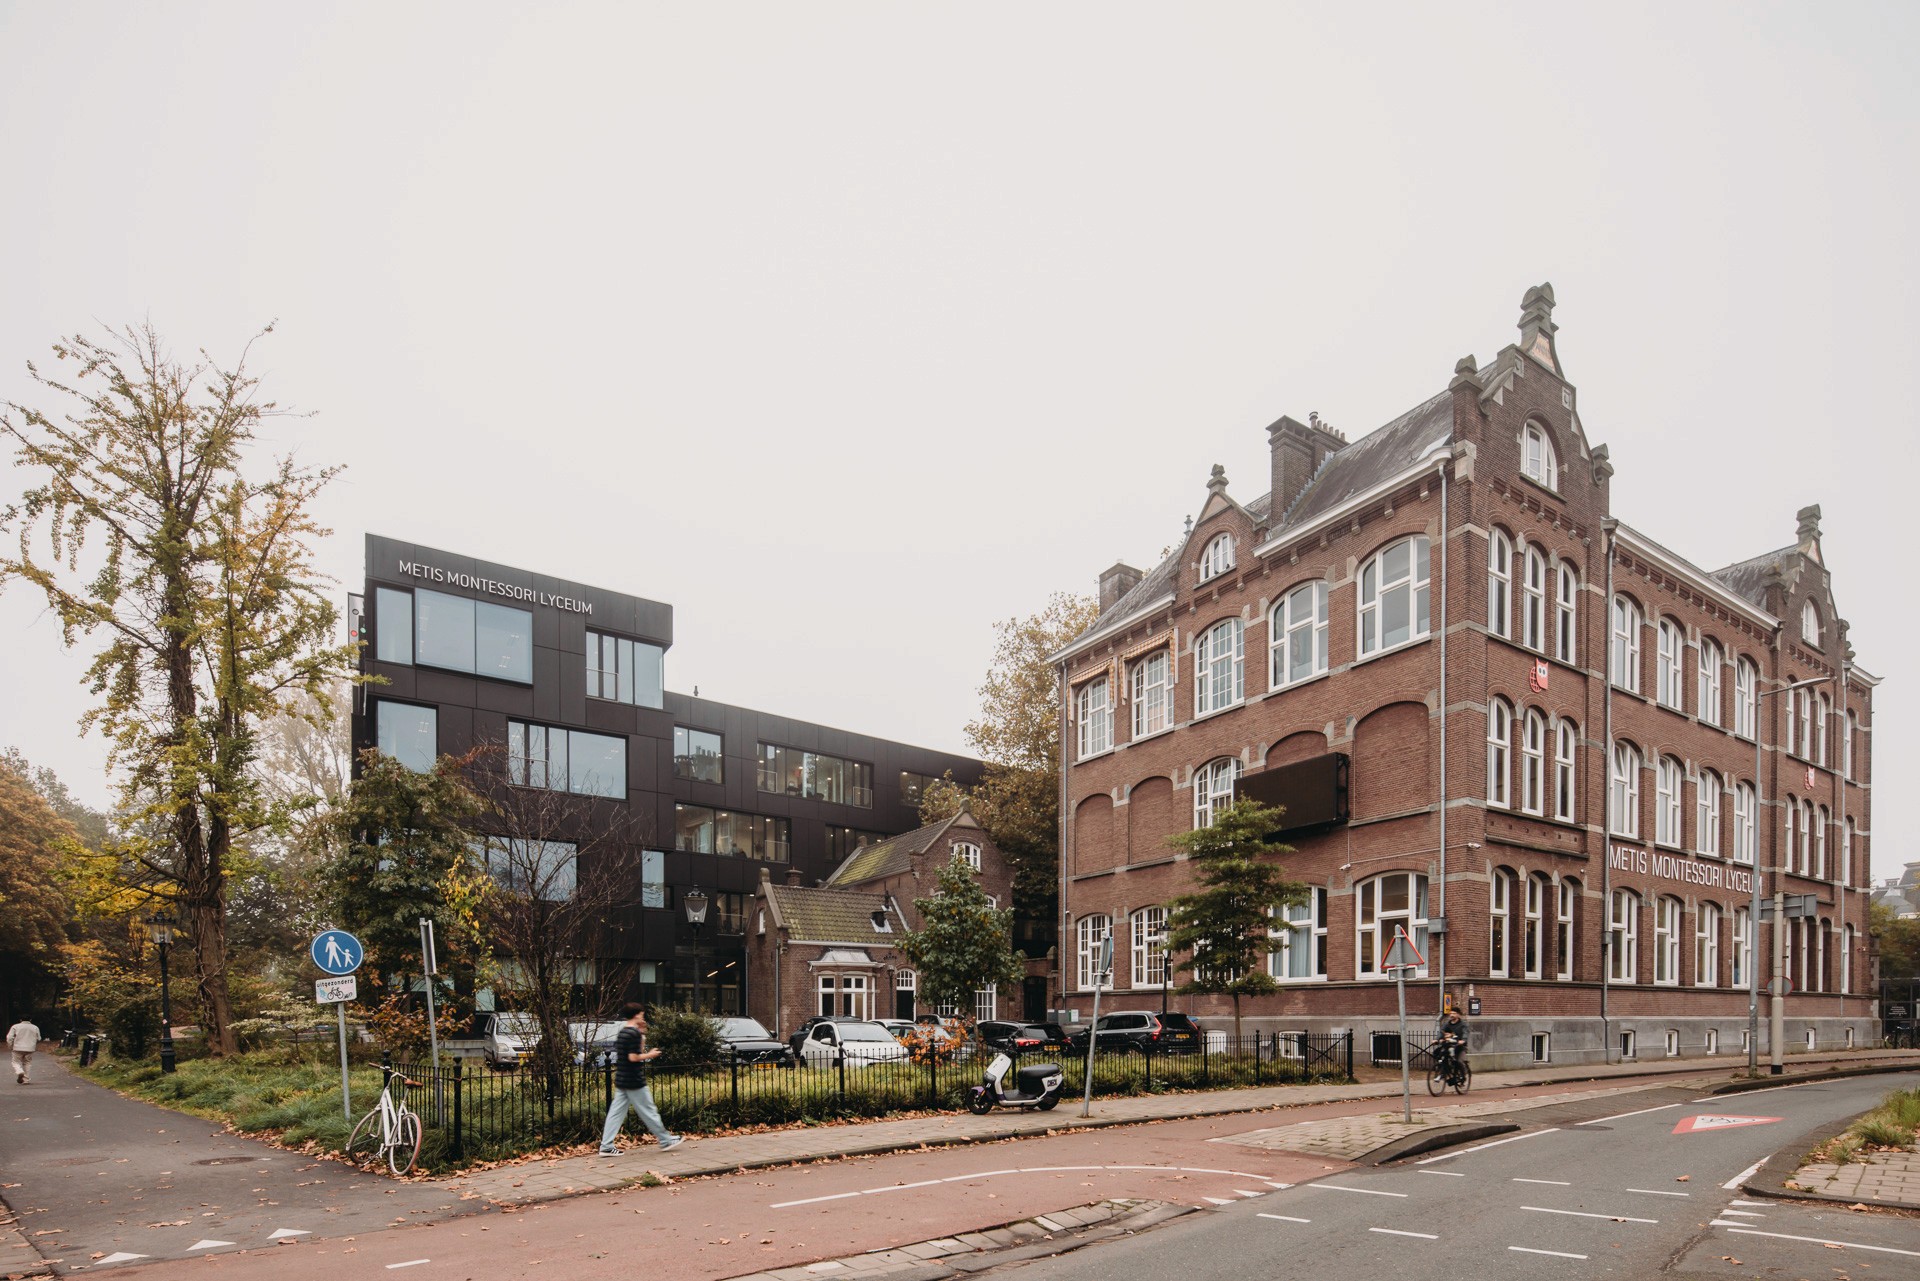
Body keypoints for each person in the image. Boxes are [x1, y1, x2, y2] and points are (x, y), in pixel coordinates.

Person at [598, 1004, 686, 1157]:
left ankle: (606, 1146)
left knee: (615, 1113)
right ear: (637, 1015)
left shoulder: (623, 1032)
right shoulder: (633, 1033)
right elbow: (634, 1057)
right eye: (642, 1014)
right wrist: (650, 1054)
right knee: (649, 1110)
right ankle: (665, 1140)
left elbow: (632, 1051)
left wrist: (642, 1034)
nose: (643, 1016)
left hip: (622, 1078)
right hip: (634, 1079)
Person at [1434, 1003, 1468, 1074]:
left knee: (1459, 1061)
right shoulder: (1447, 1024)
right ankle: (1444, 1073)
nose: (1452, 1015)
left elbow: (1465, 1033)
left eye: (1454, 1013)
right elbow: (1441, 1031)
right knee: (1440, 1055)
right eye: (1451, 1013)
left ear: (1458, 1015)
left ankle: (1463, 1073)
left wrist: (1463, 1040)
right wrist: (1437, 1039)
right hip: (1449, 1045)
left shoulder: (1463, 1024)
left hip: (1459, 1046)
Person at [8, 1016, 42, 1085]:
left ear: (20, 1019)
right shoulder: (35, 1027)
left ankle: (19, 1071)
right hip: (30, 1048)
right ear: (30, 1019)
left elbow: (9, 1037)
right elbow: (39, 1038)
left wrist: (10, 1046)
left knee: (15, 1062)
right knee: (27, 1063)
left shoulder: (15, 1026)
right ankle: (26, 1080)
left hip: (17, 1047)